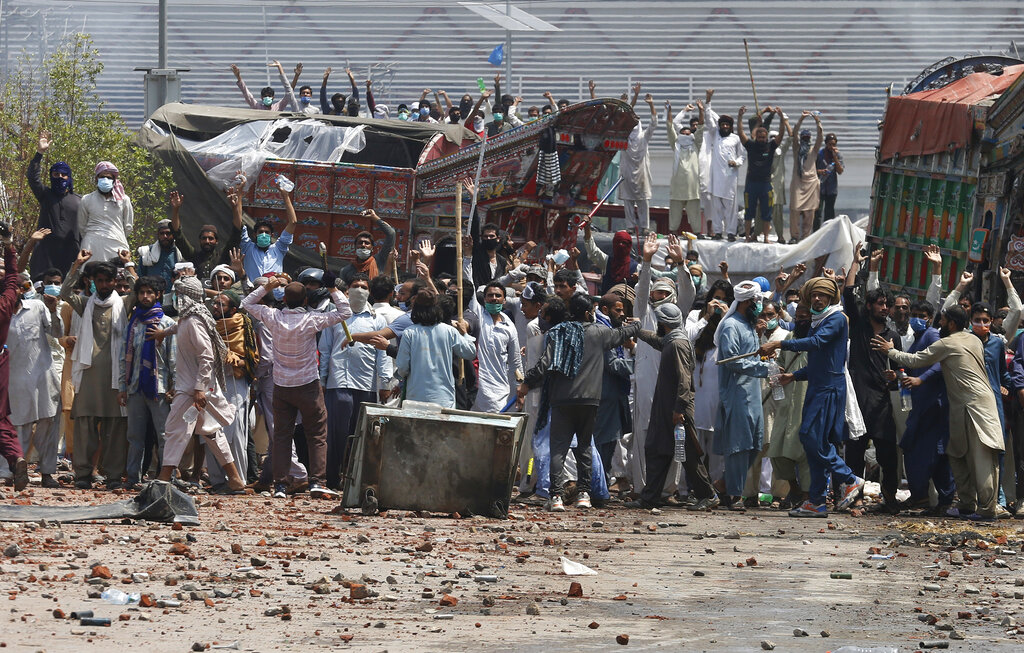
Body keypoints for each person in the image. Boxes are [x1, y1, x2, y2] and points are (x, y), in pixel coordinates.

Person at [873, 306, 1005, 521]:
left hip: (976, 407)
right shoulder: (973, 340)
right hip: (962, 407)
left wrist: (890, 350)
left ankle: (987, 509)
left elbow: (916, 361)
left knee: (981, 456)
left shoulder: (948, 343)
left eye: (942, 321)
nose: (938, 325)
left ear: (951, 323)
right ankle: (966, 504)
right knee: (957, 453)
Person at [518, 293, 641, 512]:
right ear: (587, 313)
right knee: (584, 447)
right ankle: (584, 494)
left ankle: (555, 496)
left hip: (561, 399)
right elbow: (622, 333)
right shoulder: (599, 333)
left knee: (558, 449)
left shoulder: (557, 333)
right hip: (590, 400)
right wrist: (637, 324)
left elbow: (544, 363)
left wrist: (526, 382)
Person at [759, 276, 865, 518]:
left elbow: (816, 344)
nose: (818, 299)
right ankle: (816, 501)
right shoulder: (820, 320)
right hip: (818, 386)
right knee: (814, 443)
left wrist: (778, 346)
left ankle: (849, 478)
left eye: (823, 295)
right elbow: (819, 363)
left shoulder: (836, 319)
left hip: (828, 390)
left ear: (831, 298)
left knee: (810, 436)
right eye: (814, 295)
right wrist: (794, 376)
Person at [241, 274, 352, 499]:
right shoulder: (311, 319)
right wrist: (332, 288)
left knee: (282, 436)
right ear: (304, 301)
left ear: (285, 300)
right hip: (308, 385)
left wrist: (267, 287)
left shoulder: (272, 316)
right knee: (317, 434)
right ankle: (317, 482)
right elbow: (345, 312)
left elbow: (246, 303)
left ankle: (280, 485)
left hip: (281, 385)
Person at [157, 276, 245, 493]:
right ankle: (234, 478)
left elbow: (207, 356)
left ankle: (164, 478)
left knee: (176, 430)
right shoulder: (190, 318)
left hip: (192, 390)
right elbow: (179, 327)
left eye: (179, 294)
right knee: (212, 432)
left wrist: (199, 388)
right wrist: (163, 333)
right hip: (196, 388)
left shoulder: (195, 321)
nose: (176, 298)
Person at [627, 303, 718, 510]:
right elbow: (657, 341)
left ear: (663, 323)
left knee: (688, 454)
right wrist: (637, 330)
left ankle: (708, 495)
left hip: (677, 411)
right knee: (656, 450)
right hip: (666, 408)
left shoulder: (677, 344)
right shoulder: (672, 340)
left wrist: (679, 409)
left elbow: (684, 380)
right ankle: (649, 497)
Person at [59, 249, 135, 490]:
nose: (103, 285)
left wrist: (128, 263)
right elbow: (64, 292)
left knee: (115, 427)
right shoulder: (85, 304)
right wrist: (77, 264)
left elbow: (140, 287)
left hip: (116, 375)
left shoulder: (123, 304)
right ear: (93, 282)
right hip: (89, 373)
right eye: (98, 280)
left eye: (107, 280)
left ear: (115, 282)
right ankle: (82, 474)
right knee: (85, 425)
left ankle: (113, 476)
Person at [631, 234, 695, 493]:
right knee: (643, 433)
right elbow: (642, 290)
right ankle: (642, 487)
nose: (660, 294)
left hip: (669, 386)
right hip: (646, 383)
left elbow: (689, 295)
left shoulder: (676, 316)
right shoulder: (643, 313)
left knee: (674, 433)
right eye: (657, 290)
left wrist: (681, 264)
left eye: (666, 291)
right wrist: (646, 261)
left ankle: (669, 488)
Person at [318, 274, 390, 490]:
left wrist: (384, 383)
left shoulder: (377, 318)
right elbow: (325, 349)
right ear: (347, 291)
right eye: (355, 286)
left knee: (361, 436)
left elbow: (383, 354)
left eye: (363, 287)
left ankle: (356, 480)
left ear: (369, 292)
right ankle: (332, 479)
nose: (359, 290)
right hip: (339, 381)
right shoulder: (335, 315)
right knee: (337, 434)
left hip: (367, 384)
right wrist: (322, 379)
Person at [844, 248, 902, 512]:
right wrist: (857, 262)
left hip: (882, 403)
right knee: (854, 453)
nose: (884, 308)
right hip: (857, 400)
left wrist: (895, 376)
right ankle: (855, 497)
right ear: (869, 306)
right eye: (879, 303)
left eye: (887, 304)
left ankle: (889, 498)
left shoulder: (893, 335)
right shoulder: (858, 327)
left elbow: (901, 369)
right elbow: (847, 293)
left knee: (888, 453)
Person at [714, 280, 770, 508]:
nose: (760, 305)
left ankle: (724, 483)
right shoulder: (731, 327)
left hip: (753, 392)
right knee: (739, 444)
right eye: (757, 301)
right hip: (737, 392)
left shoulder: (749, 324)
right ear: (748, 302)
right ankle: (734, 493)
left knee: (755, 444)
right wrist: (765, 369)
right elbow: (734, 361)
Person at [119, 276, 176, 490]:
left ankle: (166, 478)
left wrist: (174, 386)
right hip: (135, 388)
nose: (145, 296)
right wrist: (122, 387)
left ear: (158, 295)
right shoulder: (133, 322)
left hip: (159, 388)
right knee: (134, 436)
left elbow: (173, 358)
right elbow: (123, 357)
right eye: (142, 292)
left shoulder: (167, 324)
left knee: (164, 435)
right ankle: (133, 477)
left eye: (149, 292)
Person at [897, 300, 954, 513]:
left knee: (929, 452)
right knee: (927, 453)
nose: (916, 318)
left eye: (921, 315)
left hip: (933, 403)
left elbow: (941, 361)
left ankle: (936, 498)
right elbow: (913, 365)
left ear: (930, 318)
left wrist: (922, 380)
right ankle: (928, 497)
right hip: (921, 404)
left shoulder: (931, 335)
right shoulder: (918, 338)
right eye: (915, 314)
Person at [7, 273, 62, 488]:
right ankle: (12, 473)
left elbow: (56, 332)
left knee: (48, 426)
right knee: (18, 426)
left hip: (43, 377)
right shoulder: (3, 315)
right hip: (15, 381)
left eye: (22, 287)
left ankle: (47, 473)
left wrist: (53, 309)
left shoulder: (37, 307)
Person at [394, 283, 476, 408]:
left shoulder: (409, 333)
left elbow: (403, 368)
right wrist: (464, 334)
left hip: (416, 399)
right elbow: (470, 352)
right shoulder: (449, 331)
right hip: (444, 399)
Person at [211, 290, 260, 491]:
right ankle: (217, 480)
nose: (215, 307)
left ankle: (238, 479)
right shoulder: (209, 326)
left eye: (220, 305)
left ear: (232, 309)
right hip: (214, 380)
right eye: (214, 303)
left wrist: (237, 360)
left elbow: (253, 359)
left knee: (236, 430)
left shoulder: (245, 325)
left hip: (236, 382)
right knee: (213, 429)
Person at [764, 303, 811, 508]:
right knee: (776, 450)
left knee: (804, 453)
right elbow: (781, 363)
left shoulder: (817, 341)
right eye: (798, 316)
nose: (801, 320)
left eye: (805, 316)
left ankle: (807, 498)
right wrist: (777, 366)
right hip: (785, 403)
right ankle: (794, 489)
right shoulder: (789, 339)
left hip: (806, 401)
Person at [26, 131, 80, 278]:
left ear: (69, 178)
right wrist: (39, 153)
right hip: (45, 259)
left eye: (63, 175)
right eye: (56, 175)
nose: (60, 177)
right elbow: (32, 178)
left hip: (70, 258)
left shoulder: (80, 200)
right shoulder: (46, 195)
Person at [593, 294, 634, 480]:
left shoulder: (611, 328)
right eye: (618, 310)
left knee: (609, 441)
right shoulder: (603, 330)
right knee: (604, 442)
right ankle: (599, 485)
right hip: (606, 393)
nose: (622, 314)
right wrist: (639, 362)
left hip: (613, 393)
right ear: (605, 310)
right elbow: (614, 365)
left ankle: (602, 482)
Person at [467, 282, 523, 413]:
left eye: (498, 295)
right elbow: (468, 284)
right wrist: (467, 261)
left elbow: (515, 362)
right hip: (477, 388)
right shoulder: (478, 316)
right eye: (490, 295)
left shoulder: (509, 326)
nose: (494, 298)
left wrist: (520, 389)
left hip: (500, 390)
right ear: (484, 298)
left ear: (504, 300)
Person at [737, 106, 787, 243]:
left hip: (766, 184)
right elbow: (740, 133)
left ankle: (765, 237)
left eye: (763, 137)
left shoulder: (771, 146)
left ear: (766, 137)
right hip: (752, 184)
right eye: (759, 137)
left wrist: (782, 118)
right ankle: (747, 236)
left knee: (767, 214)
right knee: (749, 213)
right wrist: (740, 117)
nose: (761, 139)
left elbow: (781, 134)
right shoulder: (751, 145)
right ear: (756, 137)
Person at [171, 189, 243, 282]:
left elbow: (236, 233)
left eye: (211, 238)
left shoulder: (223, 256)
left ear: (216, 241)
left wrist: (234, 208)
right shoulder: (193, 256)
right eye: (204, 238)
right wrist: (175, 209)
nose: (207, 241)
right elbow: (178, 234)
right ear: (200, 240)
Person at [703, 91, 745, 241]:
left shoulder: (735, 139)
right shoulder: (715, 135)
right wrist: (708, 100)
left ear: (730, 126)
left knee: (730, 209)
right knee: (716, 209)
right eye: (723, 124)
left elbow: (742, 155)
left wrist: (737, 163)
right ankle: (718, 232)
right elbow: (708, 119)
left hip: (730, 179)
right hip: (716, 180)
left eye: (727, 124)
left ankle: (731, 233)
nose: (725, 126)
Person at [618, 91, 657, 234]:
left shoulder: (643, 137)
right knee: (627, 202)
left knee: (643, 202)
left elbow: (654, 124)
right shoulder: (623, 139)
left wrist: (651, 104)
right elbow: (619, 119)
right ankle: (630, 227)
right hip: (626, 174)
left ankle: (645, 227)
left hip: (642, 175)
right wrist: (623, 103)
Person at [78, 161, 133, 262]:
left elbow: (128, 226)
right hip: (91, 245)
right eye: (102, 177)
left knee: (118, 274)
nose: (105, 180)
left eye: (109, 178)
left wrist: (115, 235)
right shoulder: (87, 199)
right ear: (96, 179)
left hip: (117, 244)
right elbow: (82, 226)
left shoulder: (124, 199)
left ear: (114, 180)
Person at [240, 186, 296, 281]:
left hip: (274, 293)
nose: (264, 234)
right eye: (261, 232)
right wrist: (238, 197)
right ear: (255, 235)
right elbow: (239, 223)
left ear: (272, 235)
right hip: (252, 293)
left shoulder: (279, 249)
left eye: (267, 232)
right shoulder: (247, 247)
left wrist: (285, 196)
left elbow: (293, 222)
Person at [665, 100, 704, 235]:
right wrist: (669, 111)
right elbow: (670, 126)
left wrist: (701, 110)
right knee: (674, 217)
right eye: (683, 134)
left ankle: (698, 233)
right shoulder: (675, 146)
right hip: (677, 188)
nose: (686, 136)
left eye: (689, 134)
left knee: (695, 215)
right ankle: (673, 232)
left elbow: (701, 128)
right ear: (679, 136)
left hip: (693, 189)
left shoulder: (695, 145)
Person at [338, 209, 396, 286]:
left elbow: (391, 234)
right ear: (355, 247)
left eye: (367, 243)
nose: (363, 245)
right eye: (360, 243)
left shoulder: (380, 260)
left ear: (372, 248)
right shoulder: (346, 271)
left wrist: (374, 217)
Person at [789, 112, 823, 241]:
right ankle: (794, 236)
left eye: (807, 137)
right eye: (804, 137)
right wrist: (801, 118)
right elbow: (794, 134)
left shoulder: (813, 150)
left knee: (810, 214)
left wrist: (817, 121)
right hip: (798, 182)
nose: (805, 139)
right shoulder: (797, 149)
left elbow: (820, 136)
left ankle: (805, 238)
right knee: (795, 211)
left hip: (811, 183)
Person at [136, 219, 182, 291]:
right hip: (154, 298)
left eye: (168, 233)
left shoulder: (181, 254)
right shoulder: (147, 253)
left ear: (173, 234)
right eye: (162, 233)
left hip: (175, 297)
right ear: (158, 235)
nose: (165, 236)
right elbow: (141, 277)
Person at [230, 61, 297, 111]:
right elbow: (247, 94)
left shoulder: (278, 107)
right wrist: (238, 76)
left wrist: (280, 67)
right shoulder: (257, 107)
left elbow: (289, 92)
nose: (267, 98)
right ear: (261, 97)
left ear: (273, 97)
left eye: (269, 96)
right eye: (265, 96)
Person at [815, 132, 844, 225]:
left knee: (829, 213)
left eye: (834, 145)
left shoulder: (838, 155)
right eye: (830, 144)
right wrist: (820, 171)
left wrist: (835, 157)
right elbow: (812, 169)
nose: (831, 147)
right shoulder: (819, 154)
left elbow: (840, 171)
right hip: (820, 187)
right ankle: (816, 233)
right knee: (817, 212)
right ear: (826, 144)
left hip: (831, 189)